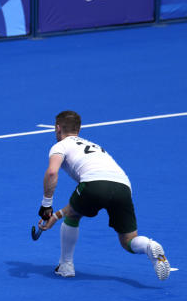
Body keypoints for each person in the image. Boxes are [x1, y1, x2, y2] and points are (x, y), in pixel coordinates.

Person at [36, 110, 170, 280]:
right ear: (79, 129)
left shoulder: (60, 146)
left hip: (93, 184)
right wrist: (56, 216)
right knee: (128, 241)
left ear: (57, 128)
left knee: (73, 217)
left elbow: (52, 173)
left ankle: (66, 266)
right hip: (123, 186)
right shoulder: (95, 147)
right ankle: (149, 245)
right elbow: (84, 197)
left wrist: (46, 204)